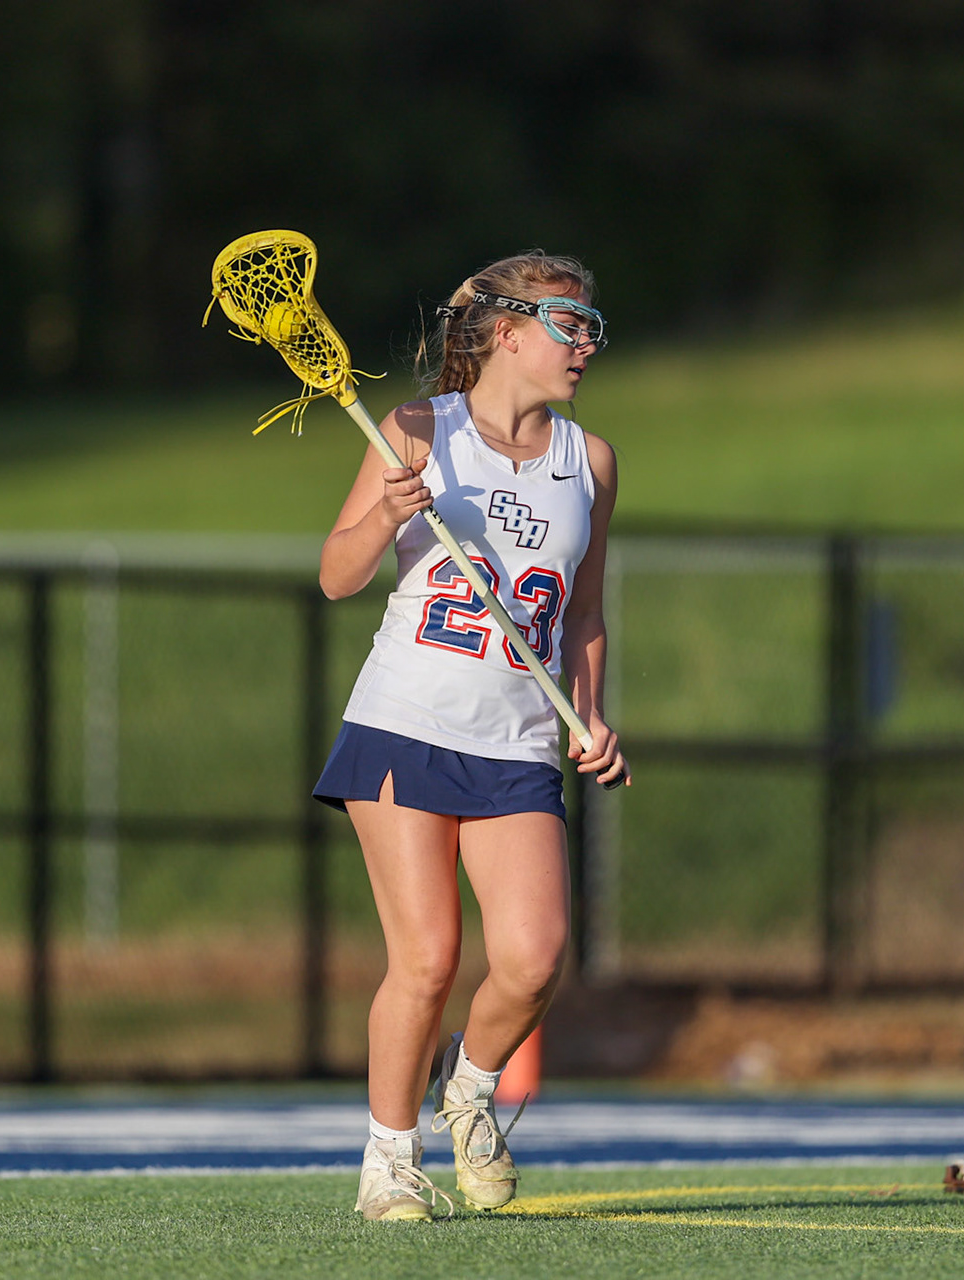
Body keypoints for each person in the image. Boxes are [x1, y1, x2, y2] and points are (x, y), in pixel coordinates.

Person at [312, 252, 630, 1221]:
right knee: (430, 957)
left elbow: (581, 613)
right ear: (506, 330)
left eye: (591, 326)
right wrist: (384, 512)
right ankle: (387, 1162)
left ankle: (472, 1090)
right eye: (569, 322)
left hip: (520, 743)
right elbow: (335, 572)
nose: (585, 343)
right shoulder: (418, 432)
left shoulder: (592, 462)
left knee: (535, 954)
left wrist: (589, 712)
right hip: (406, 723)